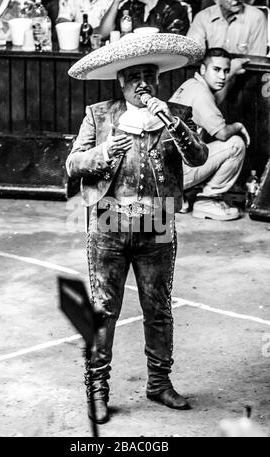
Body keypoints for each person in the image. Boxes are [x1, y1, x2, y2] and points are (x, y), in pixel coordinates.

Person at [66, 33, 208, 424]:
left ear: (159, 78)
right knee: (104, 309)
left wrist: (174, 123)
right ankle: (98, 390)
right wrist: (102, 154)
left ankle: (159, 384)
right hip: (110, 218)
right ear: (121, 81)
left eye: (149, 74)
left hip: (158, 217)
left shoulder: (176, 112)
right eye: (134, 76)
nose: (142, 82)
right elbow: (72, 164)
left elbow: (198, 156)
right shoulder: (100, 114)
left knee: (158, 308)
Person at [170, 47, 250, 220]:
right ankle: (207, 201)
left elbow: (212, 104)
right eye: (217, 70)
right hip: (176, 175)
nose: (222, 76)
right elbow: (222, 133)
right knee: (236, 144)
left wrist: (233, 73)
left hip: (165, 172)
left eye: (226, 71)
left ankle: (179, 197)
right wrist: (238, 126)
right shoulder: (201, 94)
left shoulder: (191, 85)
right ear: (203, 69)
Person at [187, 0, 267, 56]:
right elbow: (192, 53)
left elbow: (258, 58)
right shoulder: (202, 17)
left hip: (245, 76)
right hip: (210, 74)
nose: (236, 1)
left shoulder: (257, 17)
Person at [98, 0, 189, 40]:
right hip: (132, 64)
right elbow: (102, 33)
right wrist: (116, 2)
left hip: (165, 69)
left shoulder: (173, 8)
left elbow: (175, 45)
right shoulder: (130, 6)